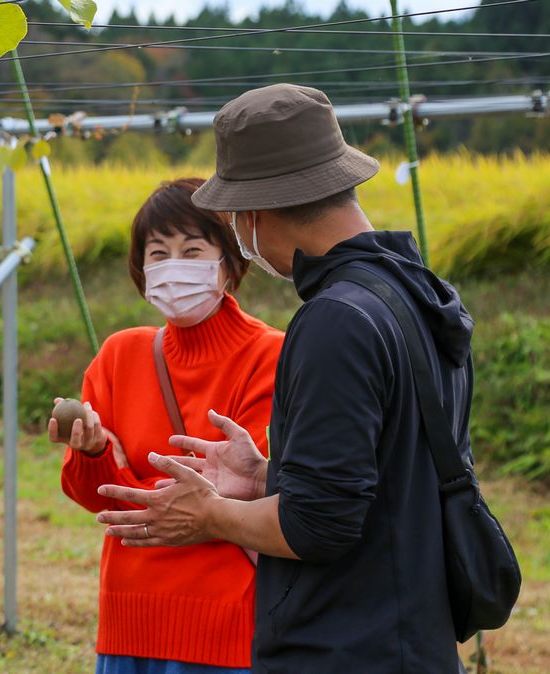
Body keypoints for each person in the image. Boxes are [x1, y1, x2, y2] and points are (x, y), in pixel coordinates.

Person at [97, 84, 475, 671]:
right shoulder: (415, 294)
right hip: (412, 632)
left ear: (254, 211)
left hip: (347, 646)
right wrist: (268, 477)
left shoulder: (334, 321)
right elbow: (386, 484)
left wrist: (210, 514)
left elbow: (319, 525)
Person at [50, 178, 285, 673]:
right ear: (141, 268)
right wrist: (93, 454)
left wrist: (126, 477)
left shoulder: (272, 356)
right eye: (158, 252)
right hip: (128, 617)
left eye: (193, 249)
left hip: (225, 624)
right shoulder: (119, 356)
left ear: (230, 260)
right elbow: (95, 497)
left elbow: (250, 490)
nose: (173, 266)